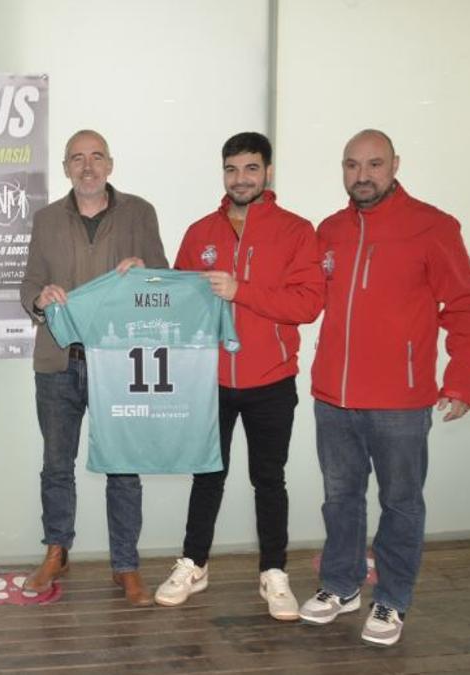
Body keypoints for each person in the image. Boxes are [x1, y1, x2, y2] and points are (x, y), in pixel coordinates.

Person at [299, 129, 470, 646]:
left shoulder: (433, 227)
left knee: (401, 503)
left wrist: (463, 380)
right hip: (333, 398)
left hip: (401, 404)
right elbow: (302, 295)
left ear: (395, 165)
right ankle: (341, 584)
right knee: (340, 499)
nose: (362, 175)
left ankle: (392, 598)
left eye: (374, 164)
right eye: (352, 165)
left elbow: (467, 310)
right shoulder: (329, 230)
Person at [157, 132, 323, 620]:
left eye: (251, 168)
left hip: (271, 379)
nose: (241, 178)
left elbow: (309, 303)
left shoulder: (296, 231)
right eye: (232, 169)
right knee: (207, 476)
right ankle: (195, 563)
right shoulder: (200, 231)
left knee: (268, 480)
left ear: (267, 172)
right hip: (212, 382)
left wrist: (240, 290)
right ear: (223, 173)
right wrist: (142, 278)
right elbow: (177, 302)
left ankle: (274, 572)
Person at [18, 129, 169, 604]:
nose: (87, 166)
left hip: (119, 364)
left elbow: (162, 282)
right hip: (58, 362)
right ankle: (56, 551)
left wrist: (144, 271)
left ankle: (125, 565)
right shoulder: (45, 220)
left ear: (110, 163)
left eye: (96, 157)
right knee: (56, 466)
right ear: (66, 168)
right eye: (77, 159)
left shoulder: (139, 212)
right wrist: (40, 299)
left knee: (124, 468)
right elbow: (29, 285)